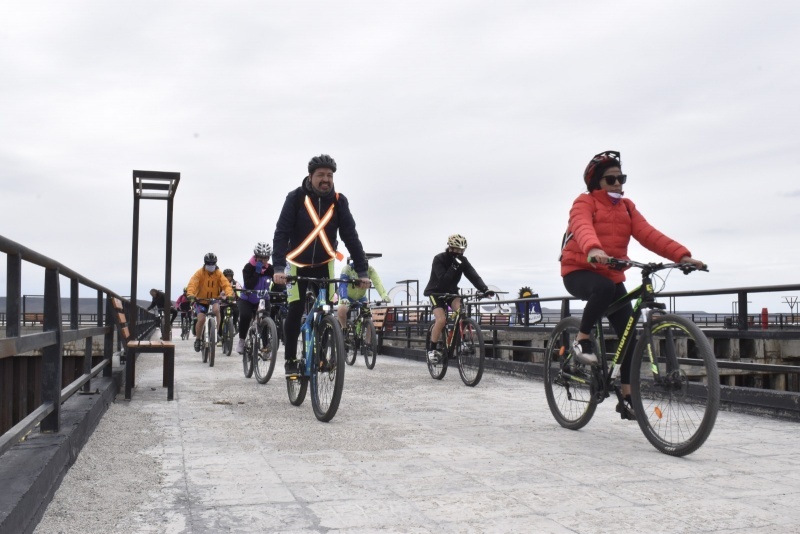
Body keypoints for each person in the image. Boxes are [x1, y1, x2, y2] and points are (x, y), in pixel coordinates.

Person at [560, 150, 705, 419]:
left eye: (621, 178)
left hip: (612, 273)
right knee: (602, 289)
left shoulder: (627, 207)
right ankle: (582, 341)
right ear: (596, 183)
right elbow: (581, 227)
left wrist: (682, 256)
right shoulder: (585, 202)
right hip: (579, 269)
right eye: (611, 179)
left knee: (629, 337)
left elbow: (648, 234)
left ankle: (627, 398)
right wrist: (592, 248)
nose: (618, 184)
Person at [272, 154, 371, 375]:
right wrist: (278, 268)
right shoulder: (295, 198)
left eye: (329, 175)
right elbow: (281, 233)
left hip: (325, 263)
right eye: (321, 175)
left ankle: (320, 357)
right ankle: (290, 360)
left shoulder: (338, 201)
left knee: (327, 310)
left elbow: (351, 236)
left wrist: (362, 271)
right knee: (296, 310)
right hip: (296, 263)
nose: (326, 179)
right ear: (311, 176)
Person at [423, 234, 494, 364]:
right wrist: (454, 266)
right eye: (456, 250)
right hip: (436, 292)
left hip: (451, 292)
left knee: (461, 312)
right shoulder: (439, 259)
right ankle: (431, 350)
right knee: (441, 320)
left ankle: (460, 341)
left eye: (462, 250)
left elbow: (473, 275)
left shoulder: (463, 260)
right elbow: (443, 281)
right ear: (450, 247)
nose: (459, 253)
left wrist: (485, 289)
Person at [186, 252, 235, 352]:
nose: (211, 266)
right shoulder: (199, 273)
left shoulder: (218, 274)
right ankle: (198, 339)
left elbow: (226, 284)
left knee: (217, 310)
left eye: (213, 264)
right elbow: (192, 284)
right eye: (209, 264)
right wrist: (191, 294)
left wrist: (229, 295)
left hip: (214, 299)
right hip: (201, 300)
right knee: (201, 319)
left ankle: (216, 332)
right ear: (205, 263)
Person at [237, 242, 275, 354]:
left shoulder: (270, 269)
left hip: (263, 299)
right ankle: (242, 340)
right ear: (256, 256)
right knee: (245, 316)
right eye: (261, 257)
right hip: (247, 299)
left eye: (266, 257)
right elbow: (249, 285)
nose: (263, 260)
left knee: (266, 319)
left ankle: (266, 345)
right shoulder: (248, 267)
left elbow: (277, 282)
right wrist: (257, 272)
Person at [336, 255, 391, 328]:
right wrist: (343, 297)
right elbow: (343, 284)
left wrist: (384, 295)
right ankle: (343, 328)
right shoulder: (347, 269)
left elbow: (377, 282)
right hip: (347, 297)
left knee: (368, 318)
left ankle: (368, 339)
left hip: (361, 297)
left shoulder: (370, 269)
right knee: (341, 311)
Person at [219, 268, 242, 338]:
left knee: (236, 312)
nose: (228, 278)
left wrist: (240, 296)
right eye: (227, 276)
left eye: (230, 276)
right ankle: (219, 335)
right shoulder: (220, 283)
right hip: (223, 303)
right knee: (221, 319)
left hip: (232, 302)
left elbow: (240, 291)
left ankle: (233, 324)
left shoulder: (236, 283)